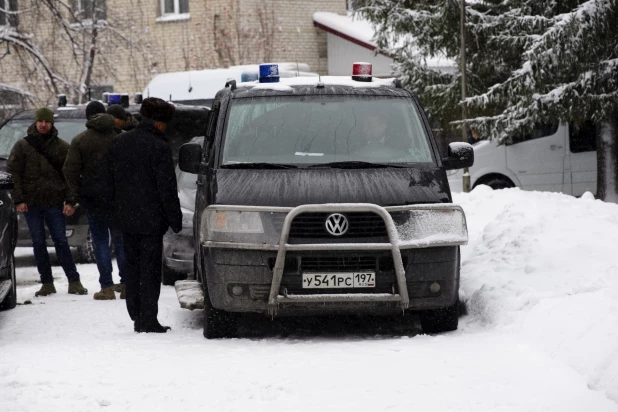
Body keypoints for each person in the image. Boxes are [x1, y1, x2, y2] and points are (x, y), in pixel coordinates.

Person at [108, 97, 182, 333]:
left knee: (132, 267)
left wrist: (114, 210)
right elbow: (167, 188)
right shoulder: (159, 147)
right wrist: (175, 219)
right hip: (151, 221)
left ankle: (136, 313)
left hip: (126, 218)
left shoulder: (120, 142)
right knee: (149, 271)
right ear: (159, 122)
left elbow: (109, 182)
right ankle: (148, 319)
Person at [7, 107, 88, 297]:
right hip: (31, 204)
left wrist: (70, 201)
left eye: (47, 122)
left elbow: (70, 176)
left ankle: (74, 281)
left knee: (61, 241)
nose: (43, 125)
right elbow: (14, 174)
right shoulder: (22, 146)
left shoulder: (62, 147)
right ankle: (47, 283)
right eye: (41, 121)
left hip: (54, 203)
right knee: (38, 243)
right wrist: (19, 199)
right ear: (36, 122)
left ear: (52, 124)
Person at [63, 101, 126, 301]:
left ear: (87, 117)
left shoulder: (81, 140)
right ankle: (126, 285)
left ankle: (106, 287)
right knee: (121, 241)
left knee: (100, 242)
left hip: (93, 199)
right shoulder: (120, 137)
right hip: (119, 199)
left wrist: (75, 196)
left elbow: (69, 170)